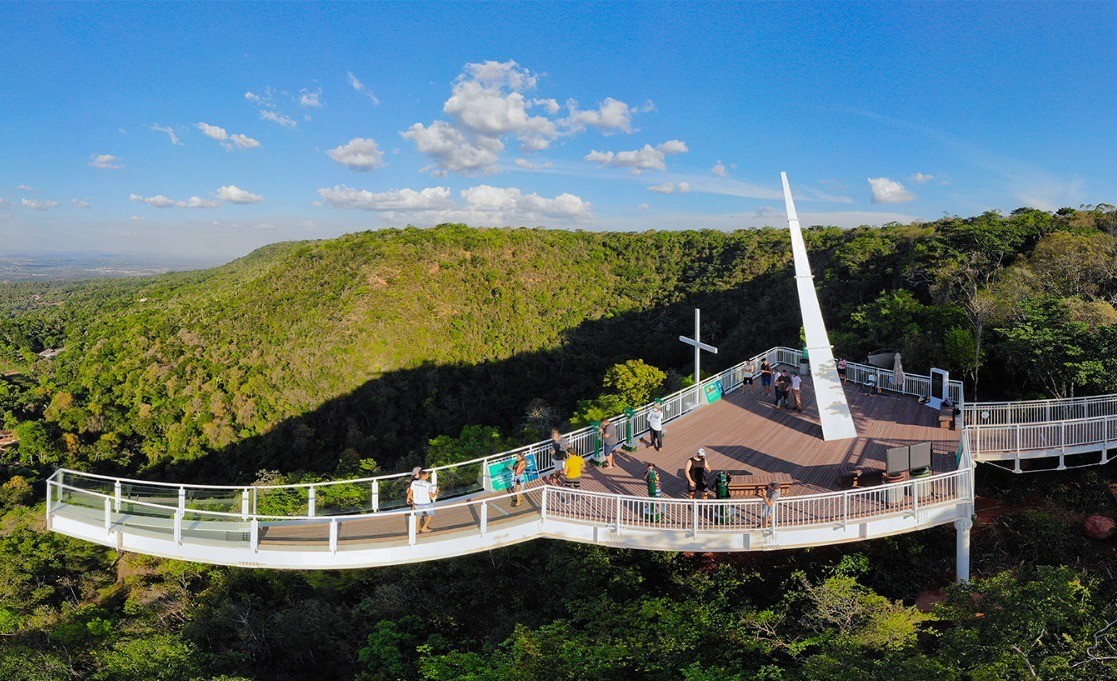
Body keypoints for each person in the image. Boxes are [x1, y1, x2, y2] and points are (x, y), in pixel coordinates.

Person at [406, 469, 438, 533]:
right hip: (426, 503)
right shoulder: (428, 484)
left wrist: (411, 500)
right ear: (424, 476)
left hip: (417, 503)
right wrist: (437, 492)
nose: (428, 475)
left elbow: (410, 493)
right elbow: (432, 496)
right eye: (427, 474)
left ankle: (416, 530)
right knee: (430, 514)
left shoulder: (414, 483)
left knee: (418, 516)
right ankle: (424, 527)